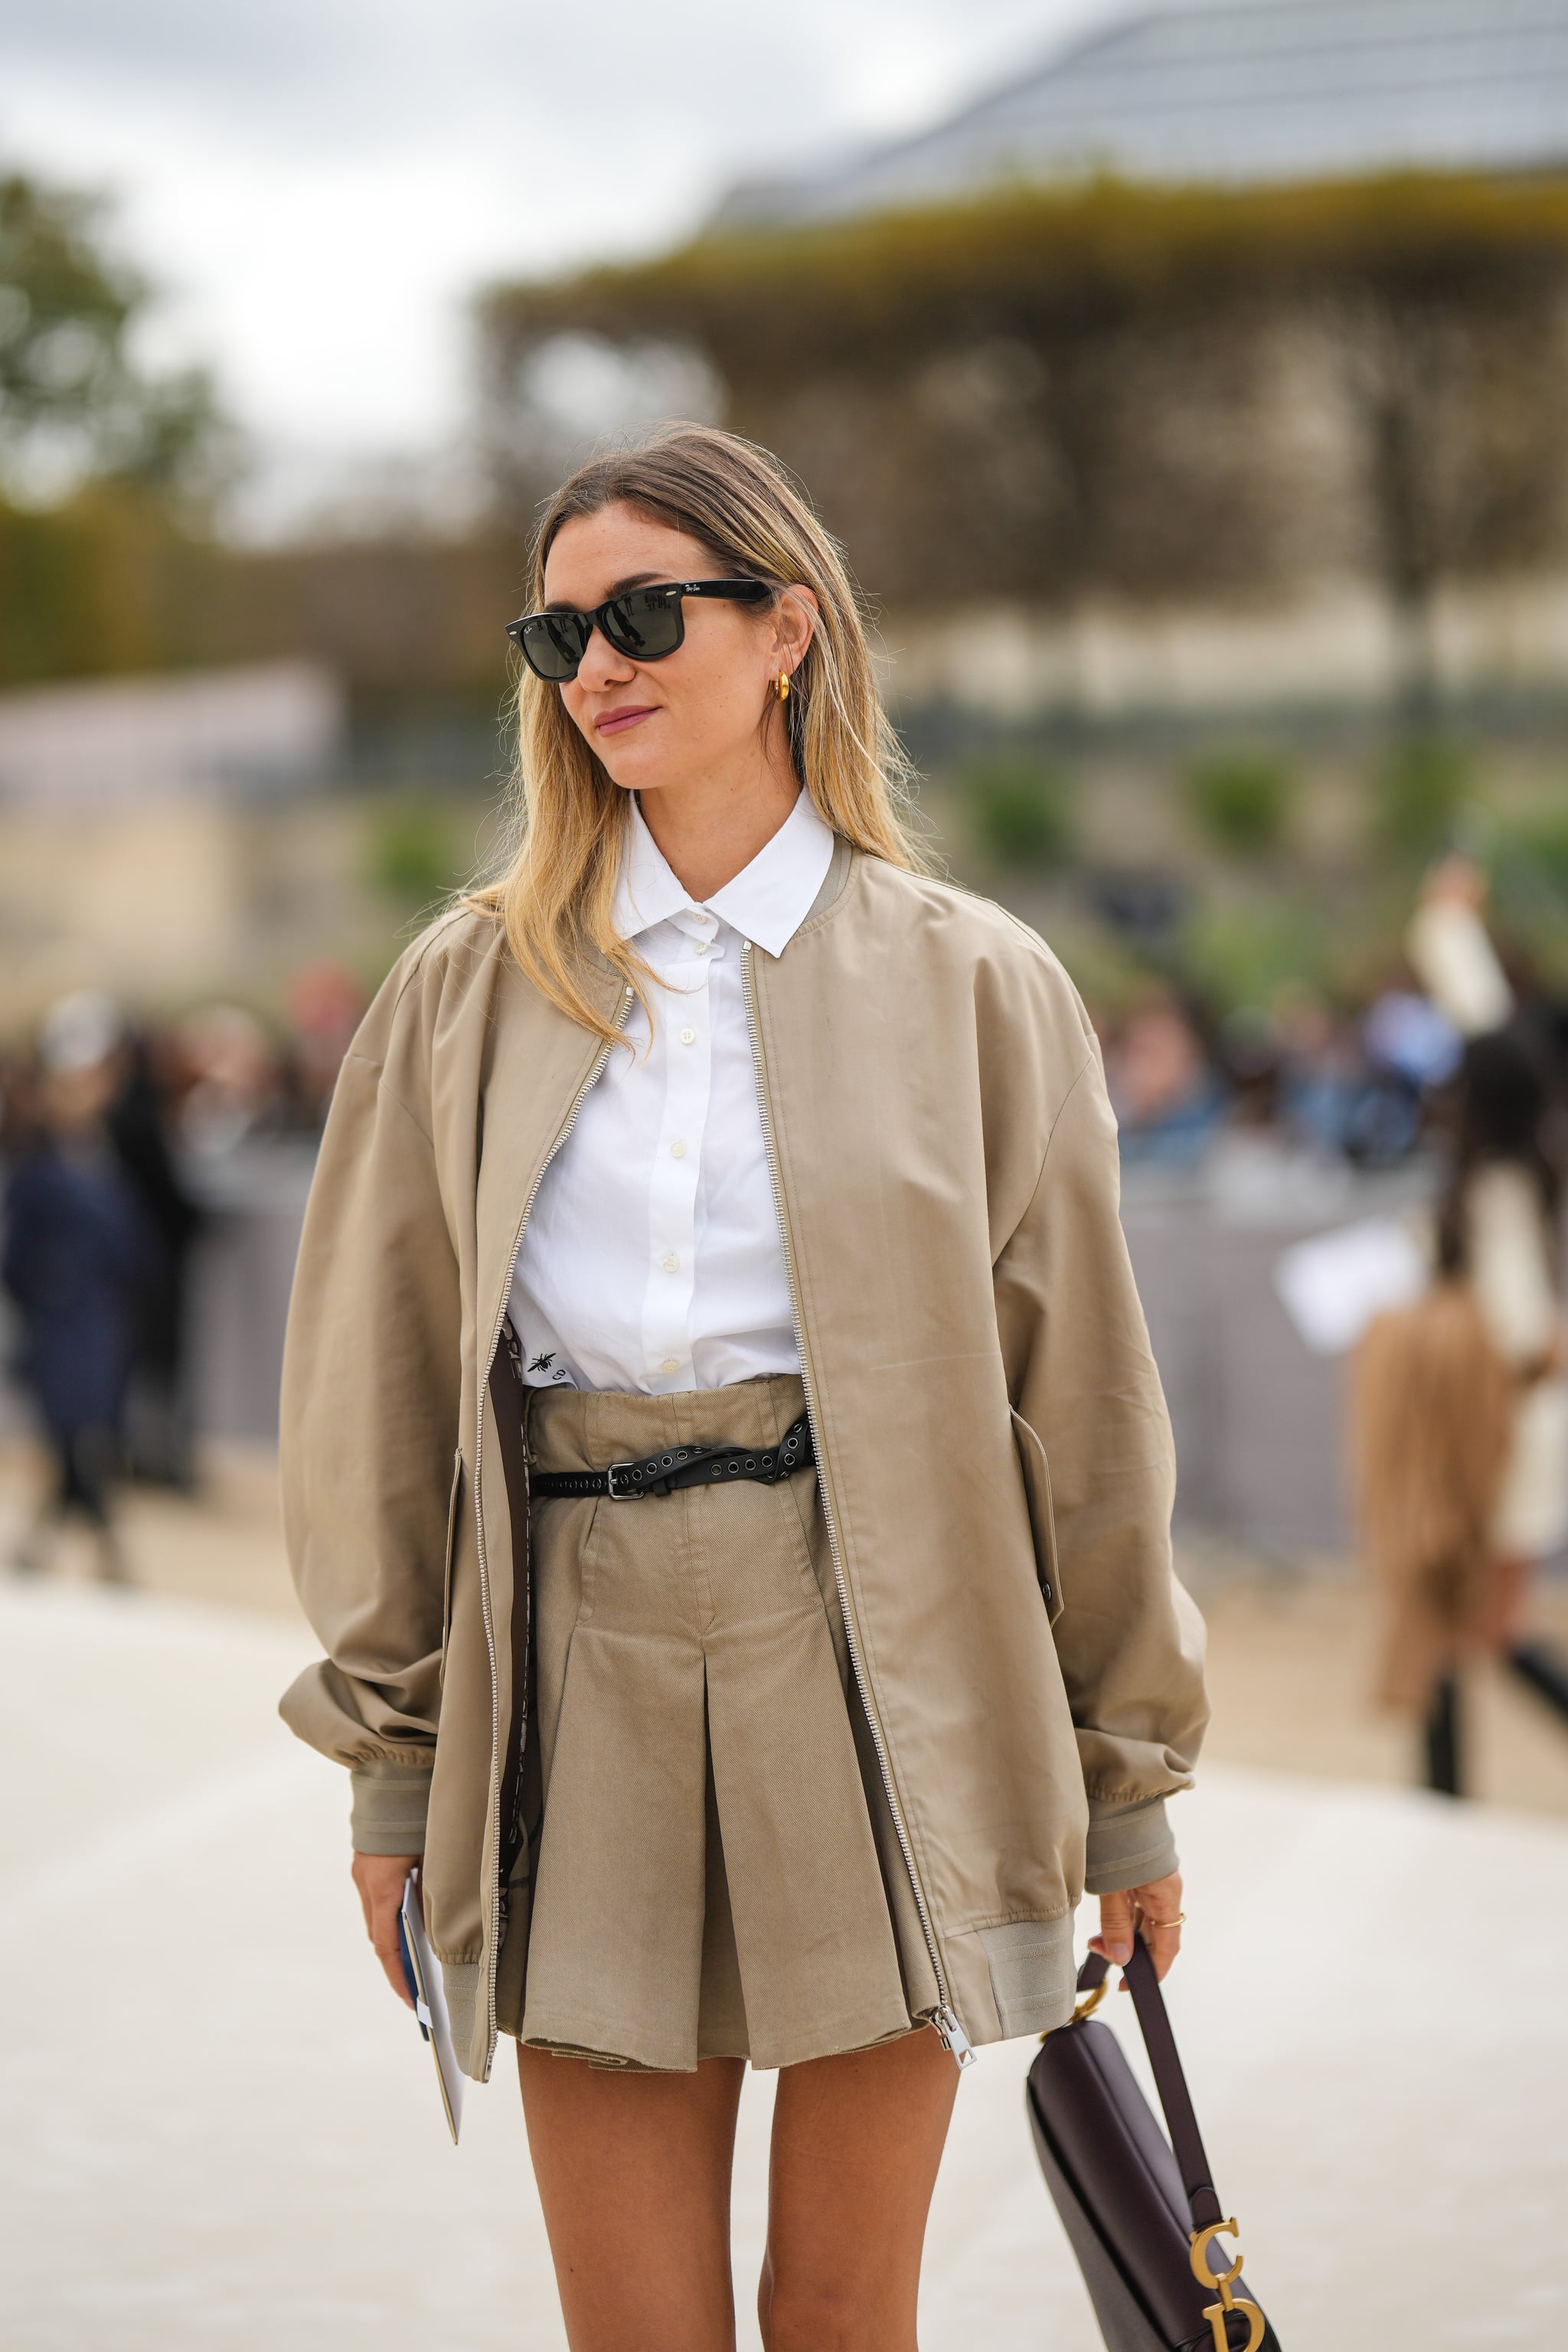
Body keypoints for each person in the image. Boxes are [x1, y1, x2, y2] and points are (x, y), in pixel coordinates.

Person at [278, 425, 1207, 2352]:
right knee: (632, 2325)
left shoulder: (975, 979)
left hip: (887, 1663)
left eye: (641, 612)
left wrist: (1124, 1788)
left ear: (786, 628)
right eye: (558, 635)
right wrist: (393, 1757)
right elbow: (367, 1391)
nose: (598, 664)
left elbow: (1087, 1410)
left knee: (841, 2308)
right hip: (572, 1659)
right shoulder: (462, 990)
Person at [3, 992, 153, 1582]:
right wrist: (54, 1296)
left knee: (82, 1440)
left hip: (101, 1324)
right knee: (78, 1439)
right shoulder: (40, 1169)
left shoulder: (101, 1158)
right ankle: (107, 1547)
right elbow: (16, 1258)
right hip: (63, 1326)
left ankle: (42, 1542)